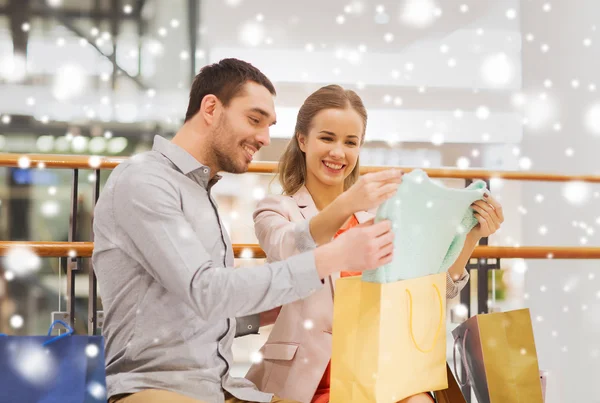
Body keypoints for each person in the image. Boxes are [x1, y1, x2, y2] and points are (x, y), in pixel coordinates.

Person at [91, 59, 403, 403]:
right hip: (155, 388)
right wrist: (332, 258)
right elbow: (206, 291)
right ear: (211, 108)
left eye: (268, 126)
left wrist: (272, 309)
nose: (264, 138)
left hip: (219, 387)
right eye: (254, 120)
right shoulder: (144, 181)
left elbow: (199, 312)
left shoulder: (200, 193)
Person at [245, 85, 505, 403]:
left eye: (350, 142)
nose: (338, 152)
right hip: (310, 381)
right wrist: (345, 204)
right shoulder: (276, 209)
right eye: (327, 138)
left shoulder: (379, 217)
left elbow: (424, 297)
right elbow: (289, 248)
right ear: (302, 140)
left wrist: (471, 237)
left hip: (381, 375)